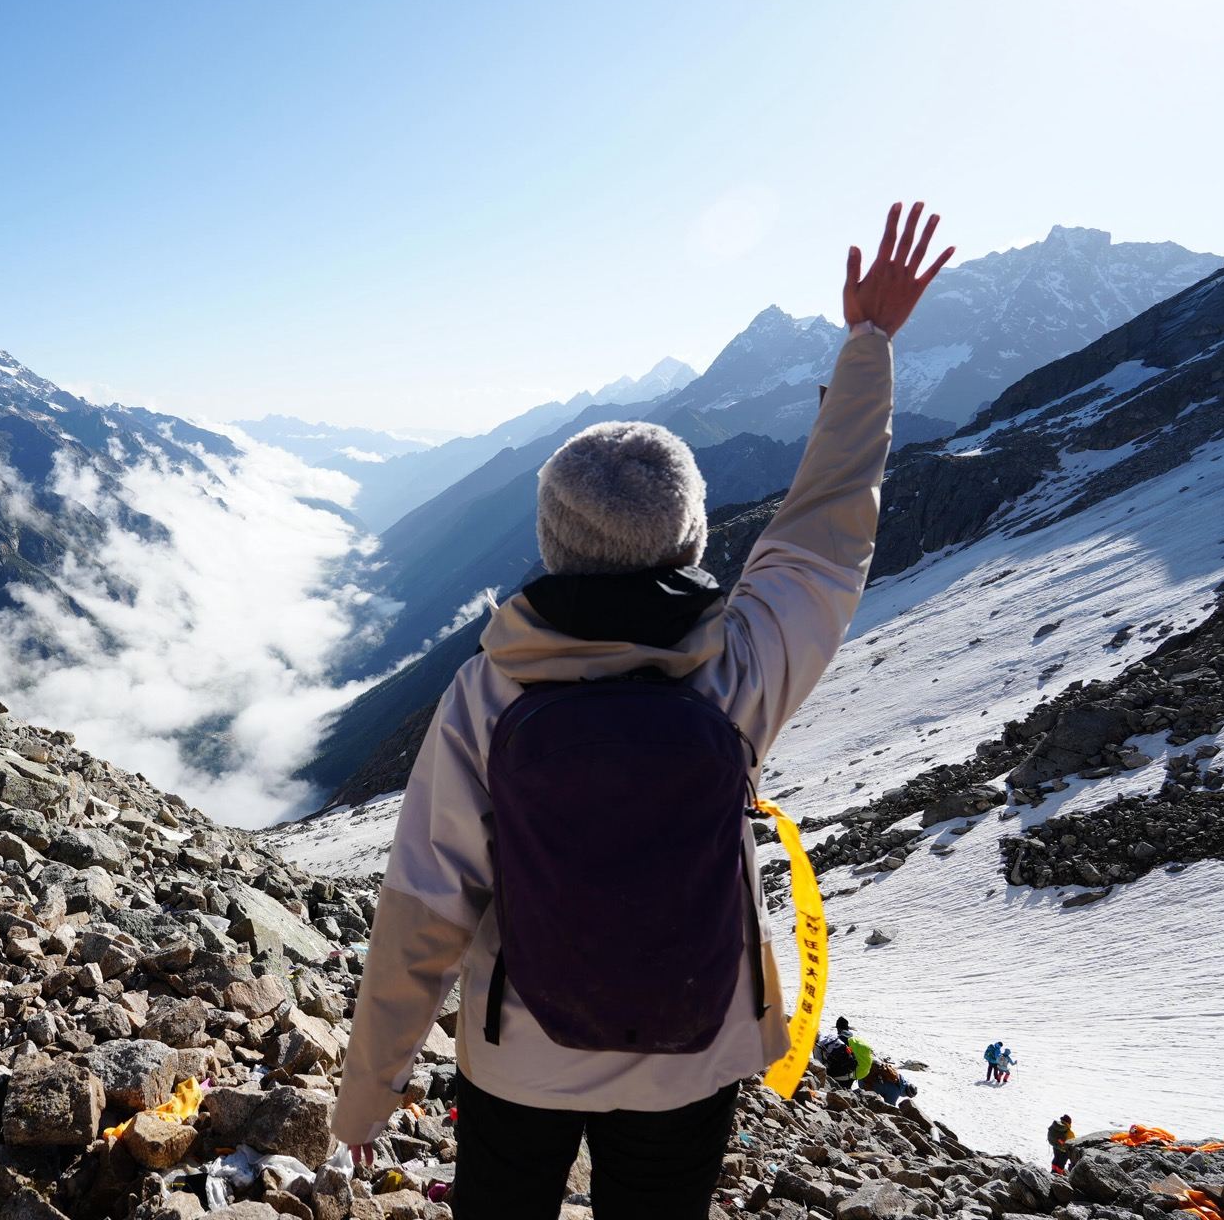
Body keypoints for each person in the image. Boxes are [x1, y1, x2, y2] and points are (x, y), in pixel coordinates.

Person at [332, 204, 954, 1220]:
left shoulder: (490, 691)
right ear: (690, 535)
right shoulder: (737, 671)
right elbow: (826, 535)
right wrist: (869, 348)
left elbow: (423, 910)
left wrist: (365, 1101)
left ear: (549, 536)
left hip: (520, 1057)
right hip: (692, 1052)